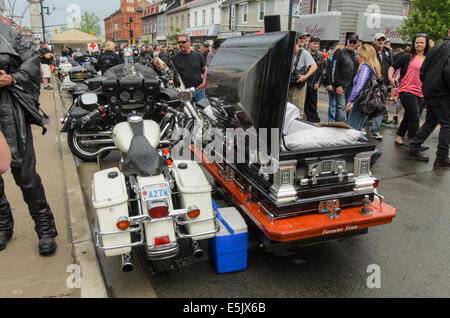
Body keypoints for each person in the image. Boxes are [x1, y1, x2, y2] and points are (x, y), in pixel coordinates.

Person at [0, 21, 58, 254]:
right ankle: (3, 226)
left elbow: (33, 61)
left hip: (7, 106)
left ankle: (45, 229)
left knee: (24, 171)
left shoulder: (9, 32)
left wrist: (13, 78)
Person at [406, 33, 450, 166]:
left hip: (430, 90)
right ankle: (442, 157)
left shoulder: (436, 47)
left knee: (431, 121)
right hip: (442, 92)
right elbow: (448, 72)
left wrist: (428, 84)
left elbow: (423, 70)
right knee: (447, 124)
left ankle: (414, 147)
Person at [389, 33, 430, 148]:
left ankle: (399, 138)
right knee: (415, 117)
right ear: (413, 44)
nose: (419, 44)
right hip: (406, 90)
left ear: (426, 44)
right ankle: (415, 143)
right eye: (417, 42)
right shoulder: (407, 57)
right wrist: (390, 77)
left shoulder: (429, 58)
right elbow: (393, 67)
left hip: (421, 92)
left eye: (422, 42)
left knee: (408, 115)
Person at [345, 44, 384, 166]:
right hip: (367, 103)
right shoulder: (373, 67)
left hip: (360, 102)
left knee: (352, 131)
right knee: (358, 130)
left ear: (363, 55)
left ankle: (372, 150)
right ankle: (366, 152)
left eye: (359, 54)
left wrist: (350, 100)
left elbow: (359, 86)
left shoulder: (365, 68)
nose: (357, 56)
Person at [370, 33, 395, 140]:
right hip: (371, 83)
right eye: (379, 39)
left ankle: (375, 131)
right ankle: (360, 127)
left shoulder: (388, 52)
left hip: (383, 84)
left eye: (383, 40)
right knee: (367, 106)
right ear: (374, 41)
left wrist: (391, 79)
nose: (381, 41)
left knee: (379, 107)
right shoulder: (370, 51)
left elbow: (392, 67)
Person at [170, 34, 207, 102]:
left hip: (199, 89)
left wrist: (204, 83)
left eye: (183, 42)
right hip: (184, 92)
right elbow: (164, 67)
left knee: (203, 110)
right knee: (187, 112)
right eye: (179, 42)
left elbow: (205, 69)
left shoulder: (198, 55)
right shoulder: (174, 58)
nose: (180, 44)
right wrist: (158, 64)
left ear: (189, 42)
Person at [288, 32, 317, 118]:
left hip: (299, 85)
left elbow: (314, 66)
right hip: (290, 84)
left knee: (297, 109)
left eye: (302, 38)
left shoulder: (304, 53)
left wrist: (305, 76)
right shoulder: (290, 53)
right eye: (301, 38)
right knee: (288, 108)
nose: (302, 40)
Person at [333, 33, 359, 122]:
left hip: (352, 86)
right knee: (341, 107)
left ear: (357, 43)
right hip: (342, 85)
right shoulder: (340, 52)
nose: (352, 44)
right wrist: (338, 85)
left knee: (349, 107)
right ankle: (338, 127)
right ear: (347, 42)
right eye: (350, 41)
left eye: (354, 42)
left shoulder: (357, 54)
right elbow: (335, 70)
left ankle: (346, 126)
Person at [304, 36, 324, 123]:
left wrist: (318, 83)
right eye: (314, 43)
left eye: (317, 43)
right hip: (304, 84)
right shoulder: (304, 53)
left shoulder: (320, 55)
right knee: (302, 106)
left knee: (312, 107)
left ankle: (313, 123)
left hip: (313, 85)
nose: (316, 45)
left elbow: (321, 72)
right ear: (310, 43)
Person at [324, 45, 343, 122]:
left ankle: (337, 121)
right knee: (333, 104)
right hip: (332, 85)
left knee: (340, 105)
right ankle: (331, 121)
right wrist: (329, 84)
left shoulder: (344, 62)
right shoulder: (331, 60)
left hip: (341, 86)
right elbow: (328, 73)